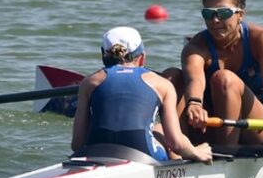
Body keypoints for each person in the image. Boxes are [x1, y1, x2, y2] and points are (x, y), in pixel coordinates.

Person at [72, 27, 212, 164]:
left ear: (103, 55)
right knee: (159, 129)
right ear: (142, 57)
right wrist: (196, 152)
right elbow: (176, 143)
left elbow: (77, 144)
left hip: (93, 153)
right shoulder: (162, 84)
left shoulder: (89, 82)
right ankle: (175, 167)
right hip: (142, 154)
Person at [177, 0, 263, 145]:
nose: (215, 20)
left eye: (223, 13)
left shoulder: (261, 38)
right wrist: (194, 103)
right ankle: (177, 152)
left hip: (257, 128)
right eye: (208, 14)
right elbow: (195, 80)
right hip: (214, 126)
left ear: (240, 14)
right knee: (172, 77)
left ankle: (226, 153)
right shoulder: (196, 46)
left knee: (224, 79)